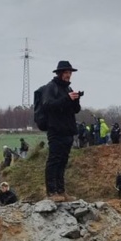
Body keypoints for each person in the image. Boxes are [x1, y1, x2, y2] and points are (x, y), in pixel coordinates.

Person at [41, 60, 83, 199]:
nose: (69, 75)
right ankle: (52, 192)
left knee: (63, 161)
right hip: (55, 130)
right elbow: (47, 105)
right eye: (66, 72)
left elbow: (75, 110)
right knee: (54, 160)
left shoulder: (68, 89)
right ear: (59, 73)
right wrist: (66, 98)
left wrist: (75, 99)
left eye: (70, 73)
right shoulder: (51, 87)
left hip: (68, 130)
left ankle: (61, 191)